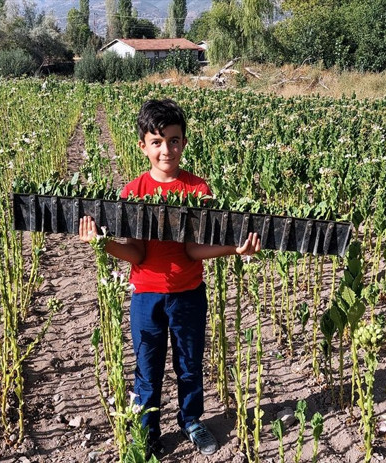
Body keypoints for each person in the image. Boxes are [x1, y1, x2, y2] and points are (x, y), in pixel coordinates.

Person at [79, 98, 260, 457]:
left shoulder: (197, 189)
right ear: (143, 146)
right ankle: (146, 432)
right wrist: (103, 244)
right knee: (147, 369)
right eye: (158, 141)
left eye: (174, 140)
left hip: (189, 293)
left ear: (184, 142)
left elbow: (193, 250)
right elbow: (137, 253)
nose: (167, 149)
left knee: (190, 364)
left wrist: (233, 249)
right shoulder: (133, 193)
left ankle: (191, 420)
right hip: (146, 296)